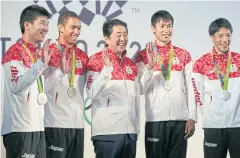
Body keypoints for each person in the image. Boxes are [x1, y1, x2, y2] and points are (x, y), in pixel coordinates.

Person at [135, 10, 197, 158]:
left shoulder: (183, 54)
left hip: (180, 121)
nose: (166, 30)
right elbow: (140, 89)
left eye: (169, 26)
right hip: (155, 121)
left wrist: (192, 117)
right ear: (153, 28)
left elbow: (191, 87)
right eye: (162, 26)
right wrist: (150, 67)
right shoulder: (143, 55)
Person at [1, 4, 51, 158]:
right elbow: (16, 85)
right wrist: (40, 64)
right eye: (42, 23)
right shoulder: (14, 52)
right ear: (27, 25)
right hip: (20, 130)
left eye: (47, 24)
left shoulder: (37, 54)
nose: (46, 28)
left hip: (38, 129)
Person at [86, 19, 140, 158]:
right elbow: (91, 93)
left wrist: (136, 129)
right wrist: (107, 70)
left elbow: (137, 98)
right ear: (106, 38)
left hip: (129, 134)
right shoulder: (95, 61)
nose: (123, 39)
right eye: (118, 35)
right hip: (106, 134)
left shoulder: (131, 64)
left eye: (125, 34)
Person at [192, 18, 240, 158]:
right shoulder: (201, 62)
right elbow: (197, 92)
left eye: (228, 35)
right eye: (220, 36)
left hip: (237, 126)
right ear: (212, 37)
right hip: (213, 127)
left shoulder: (239, 60)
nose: (225, 39)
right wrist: (208, 113)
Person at [43, 11, 88, 158]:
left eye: (79, 28)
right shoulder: (47, 52)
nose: (76, 31)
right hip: (55, 125)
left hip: (77, 127)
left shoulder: (82, 55)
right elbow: (42, 89)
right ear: (60, 28)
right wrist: (59, 71)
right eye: (72, 27)